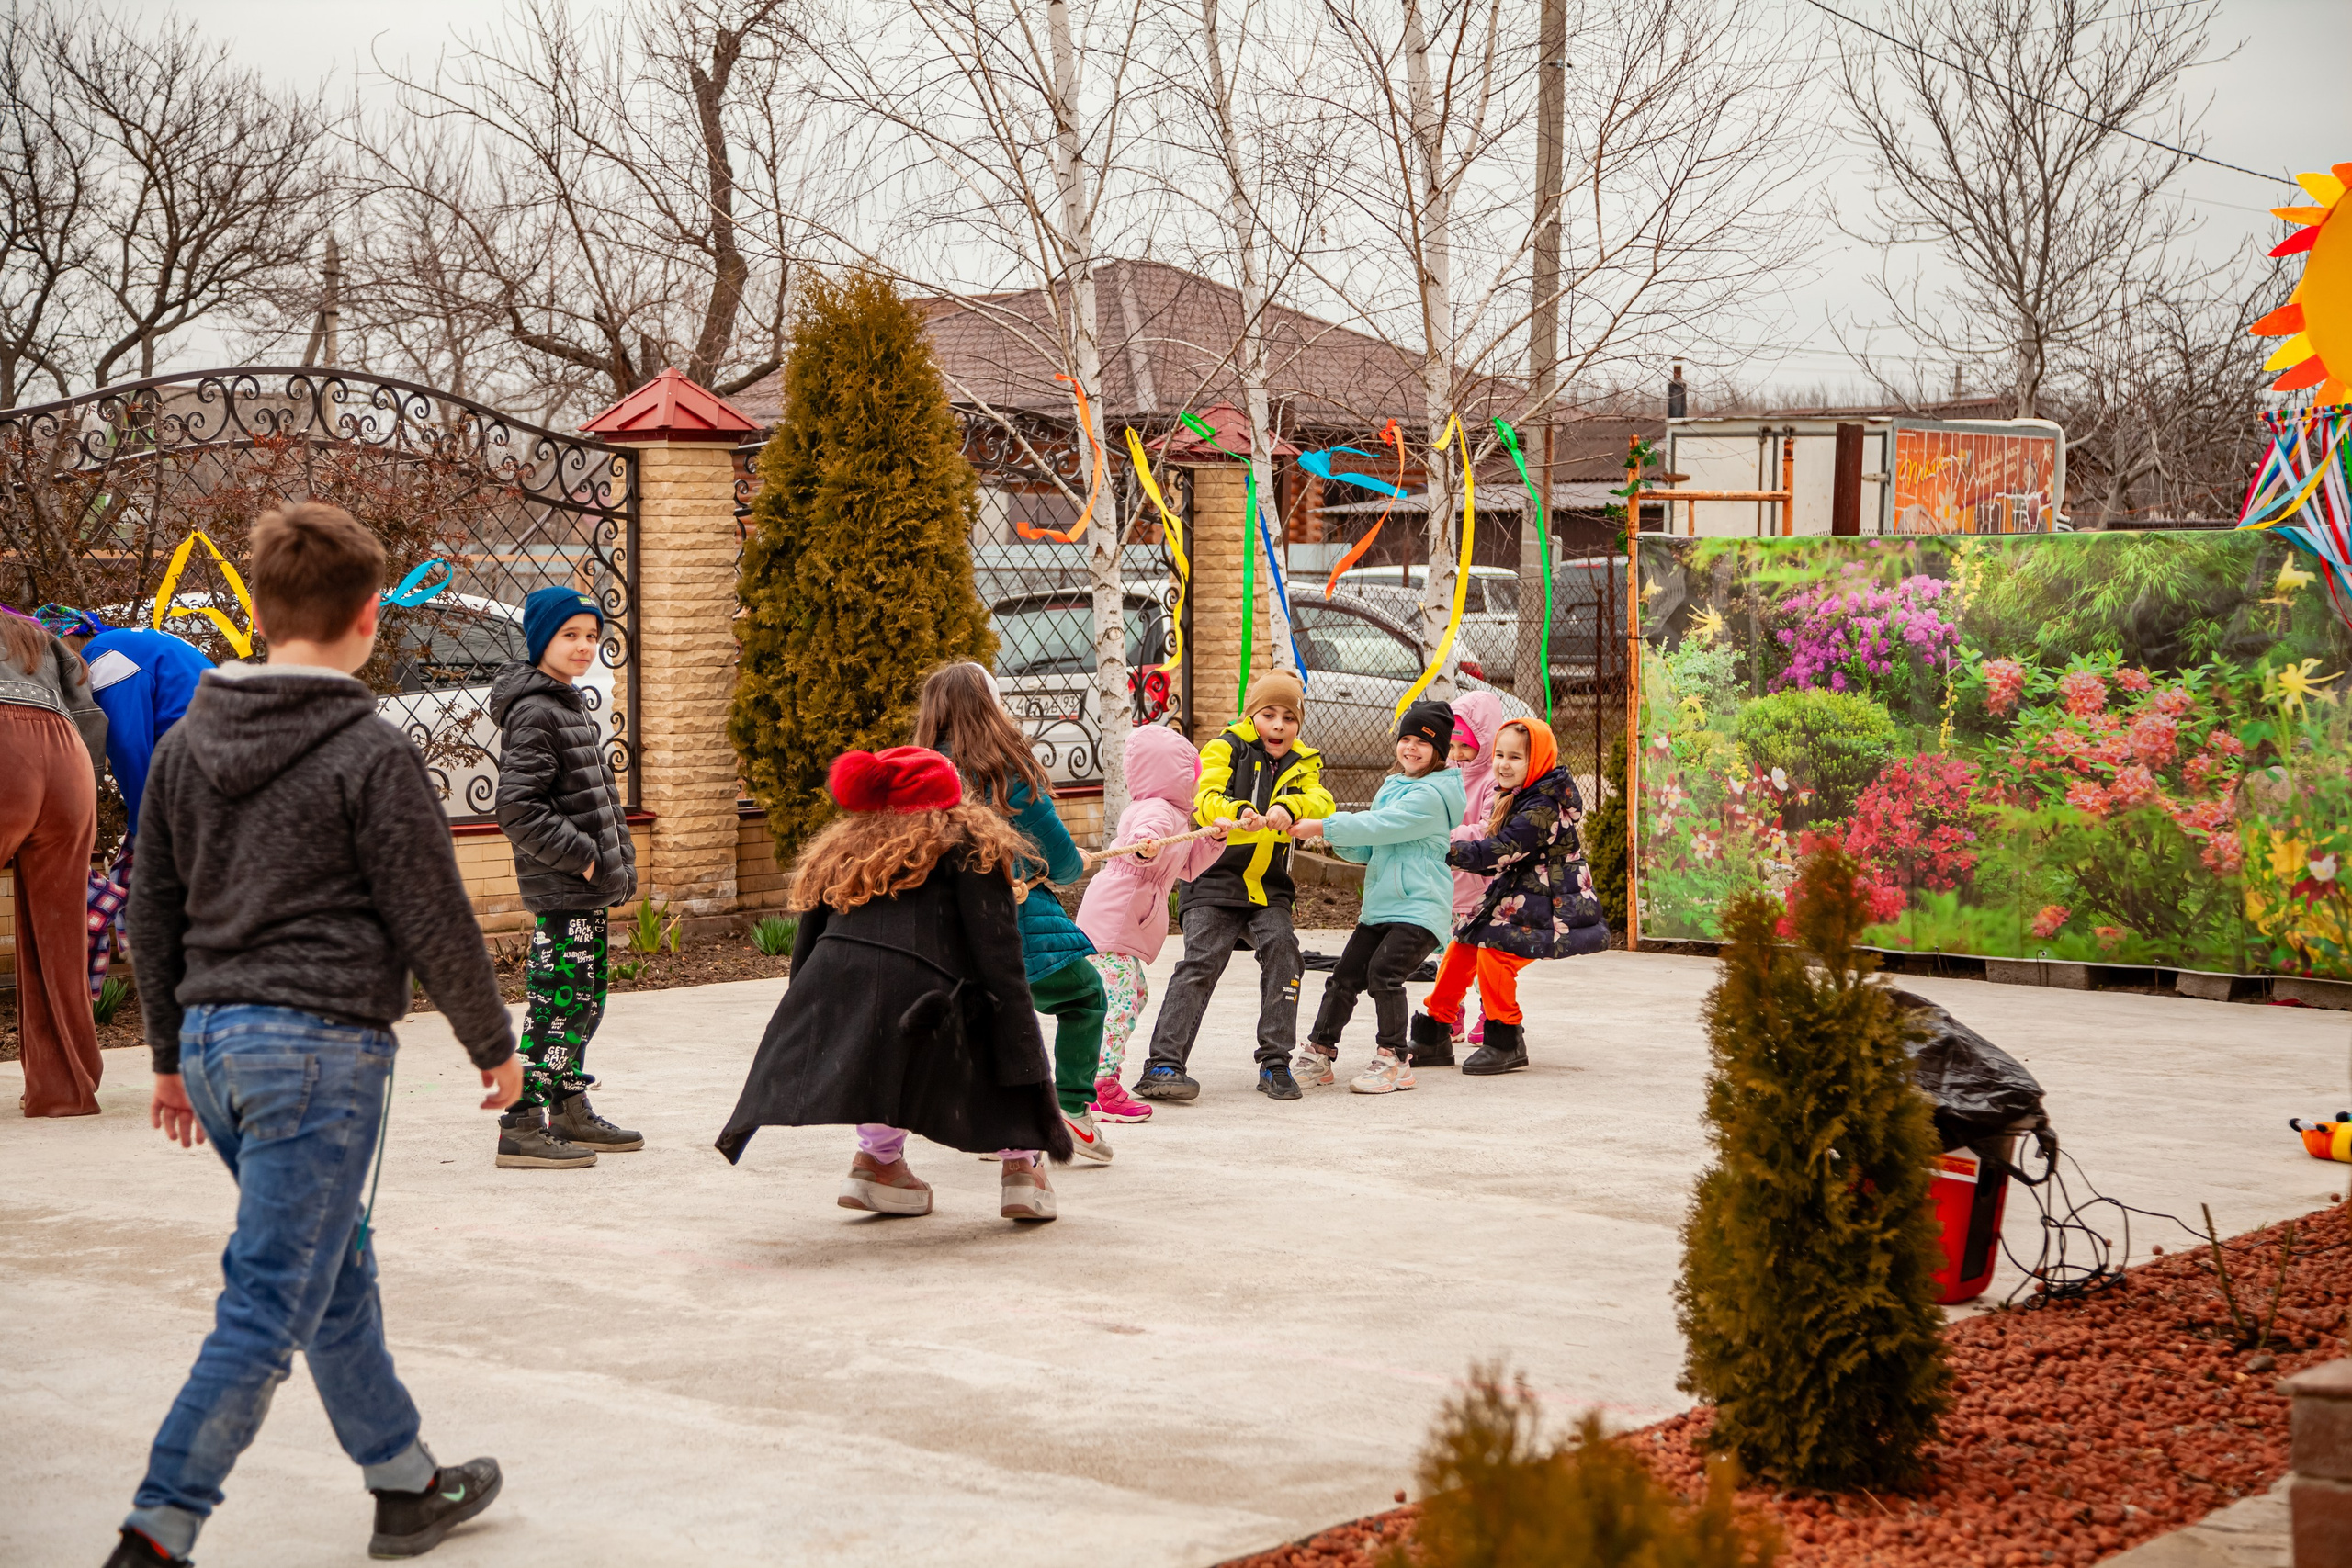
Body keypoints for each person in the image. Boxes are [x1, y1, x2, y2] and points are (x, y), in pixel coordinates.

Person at [112, 502, 514, 1568]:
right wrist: (494, 1046)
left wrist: (164, 1058)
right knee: (265, 1305)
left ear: (254, 609)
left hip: (214, 1050)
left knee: (330, 1267)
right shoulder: (370, 749)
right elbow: (433, 911)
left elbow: (154, 908)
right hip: (316, 1055)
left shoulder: (192, 740)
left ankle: (405, 1482)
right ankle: (157, 1532)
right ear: (372, 616)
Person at [715, 746, 1072, 1221]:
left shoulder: (842, 850)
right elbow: (999, 960)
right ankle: (1023, 1169)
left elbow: (808, 950)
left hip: (838, 986)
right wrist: (1021, 1047)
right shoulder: (971, 845)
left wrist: (806, 1016)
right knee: (985, 1013)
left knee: (874, 1027)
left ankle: (876, 1164)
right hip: (926, 995)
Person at [911, 661, 1113, 1162]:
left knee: (984, 1020)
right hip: (1011, 923)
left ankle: (996, 1123)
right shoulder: (1007, 774)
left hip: (938, 936)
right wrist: (1073, 863)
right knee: (1084, 996)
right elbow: (1062, 864)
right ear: (991, 709)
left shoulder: (918, 778)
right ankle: (1070, 1106)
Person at [487, 584, 641, 1169]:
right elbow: (517, 807)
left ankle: (568, 1106)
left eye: (591, 636)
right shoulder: (537, 712)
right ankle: (522, 1122)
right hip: (565, 888)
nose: (583, 646)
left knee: (584, 1001)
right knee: (558, 1005)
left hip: (583, 891)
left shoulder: (565, 703)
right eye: (569, 635)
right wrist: (584, 856)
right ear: (540, 641)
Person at [1135, 669, 1335, 1103]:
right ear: (1252, 715)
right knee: (1201, 962)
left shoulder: (1304, 763)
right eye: (1269, 714)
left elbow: (1322, 801)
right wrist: (1236, 810)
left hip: (1268, 887)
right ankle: (1164, 1063)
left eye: (1289, 717)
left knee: (1285, 952)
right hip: (1214, 882)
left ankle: (1275, 1061)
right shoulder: (1226, 747)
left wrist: (1290, 806)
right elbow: (1204, 797)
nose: (1279, 725)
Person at [1412, 716, 1608, 1077]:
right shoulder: (1519, 796)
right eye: (1499, 754)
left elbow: (1502, 849)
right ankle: (1434, 1032)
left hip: (1553, 906)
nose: (1503, 764)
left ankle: (1506, 1039)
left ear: (1537, 762)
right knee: (1464, 945)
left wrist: (1444, 849)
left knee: (1497, 954)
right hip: (1519, 898)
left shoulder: (1542, 807)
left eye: (1515, 757)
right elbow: (1496, 859)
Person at [1290, 699, 1466, 1095]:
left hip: (1420, 906)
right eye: (1405, 739)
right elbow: (1371, 843)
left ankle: (1394, 1058)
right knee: (1343, 978)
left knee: (1383, 974)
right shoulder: (1394, 787)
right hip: (1382, 905)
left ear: (1439, 750)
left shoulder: (1432, 797)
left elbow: (1382, 824)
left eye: (1422, 742)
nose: (1410, 748)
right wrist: (1335, 838)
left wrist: (1326, 825)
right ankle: (1320, 1051)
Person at [1072, 721, 1227, 1122]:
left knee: (1132, 994)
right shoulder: (1156, 810)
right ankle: (1097, 1085)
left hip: (1124, 920)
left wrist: (1213, 840)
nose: (1195, 786)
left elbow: (1188, 867)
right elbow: (1147, 836)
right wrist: (1144, 848)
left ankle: (1092, 1076)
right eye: (1192, 778)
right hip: (1115, 918)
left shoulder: (1174, 814)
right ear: (1174, 777)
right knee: (1118, 1001)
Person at [0, 605, 107, 1117]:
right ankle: (65, 1089)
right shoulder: (37, 635)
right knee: (59, 932)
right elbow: (88, 713)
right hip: (68, 757)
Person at [38, 605, 213, 838]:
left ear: (63, 649)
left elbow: (128, 746)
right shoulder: (121, 644)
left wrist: (145, 829)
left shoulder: (102, 657)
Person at [1430, 690, 1505, 1066]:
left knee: (1482, 956)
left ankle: (1490, 1015)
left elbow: (1488, 828)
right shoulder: (1446, 774)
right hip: (1448, 884)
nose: (1457, 753)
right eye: (1452, 744)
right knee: (1448, 957)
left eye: (1466, 745)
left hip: (1480, 887)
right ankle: (1449, 1012)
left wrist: (1443, 837)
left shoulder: (1495, 780)